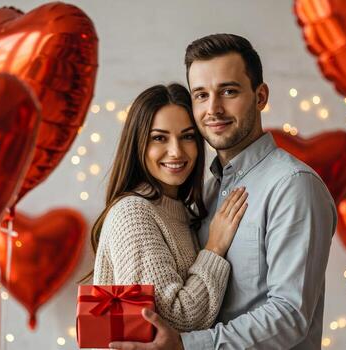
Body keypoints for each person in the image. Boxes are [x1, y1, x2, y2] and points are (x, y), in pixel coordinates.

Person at [109, 34, 336, 350]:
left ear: (260, 96)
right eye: (201, 95)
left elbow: (289, 315)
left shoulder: (292, 185)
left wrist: (187, 346)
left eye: (228, 91)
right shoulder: (206, 191)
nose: (213, 109)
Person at [86, 83, 248, 331]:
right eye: (159, 138)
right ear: (138, 144)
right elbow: (172, 319)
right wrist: (215, 247)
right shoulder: (132, 214)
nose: (176, 151)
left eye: (187, 136)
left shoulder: (181, 210)